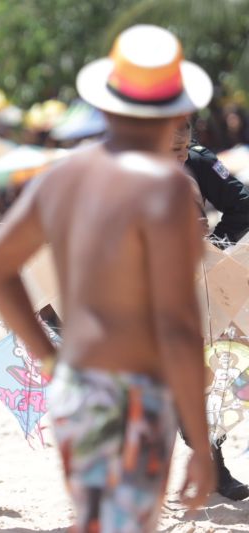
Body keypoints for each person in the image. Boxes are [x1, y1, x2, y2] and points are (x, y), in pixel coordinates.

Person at [0, 25, 214, 532]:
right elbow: (176, 324)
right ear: (176, 115)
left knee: (98, 520)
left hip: (75, 385)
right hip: (138, 389)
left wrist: (46, 357)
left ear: (105, 107)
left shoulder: (63, 177)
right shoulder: (169, 188)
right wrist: (201, 439)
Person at [170, 120, 249, 501]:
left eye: (183, 148)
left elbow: (244, 205)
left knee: (203, 369)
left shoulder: (200, 164)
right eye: (170, 149)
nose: (179, 156)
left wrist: (216, 248)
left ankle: (215, 469)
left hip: (192, 280)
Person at [171, 120, 249, 245]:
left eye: (186, 146)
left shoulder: (199, 161)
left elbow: (242, 204)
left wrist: (217, 245)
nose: (184, 156)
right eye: (175, 148)